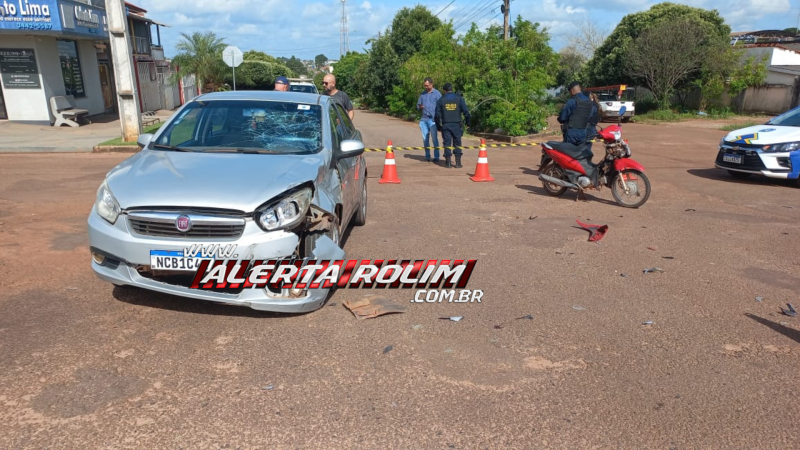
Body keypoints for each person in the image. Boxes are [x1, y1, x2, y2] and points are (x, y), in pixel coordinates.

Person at [434, 83, 470, 169]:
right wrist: (468, 123)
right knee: (457, 143)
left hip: (446, 125)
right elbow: (466, 112)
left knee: (447, 143)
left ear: (444, 91)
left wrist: (439, 126)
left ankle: (448, 162)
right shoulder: (459, 99)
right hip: (457, 125)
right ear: (452, 89)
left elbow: (437, 115)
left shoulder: (441, 100)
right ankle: (458, 163)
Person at [557, 81, 598, 146]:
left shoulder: (571, 101)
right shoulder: (589, 102)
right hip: (584, 132)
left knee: (568, 153)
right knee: (580, 154)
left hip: (572, 132)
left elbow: (562, 118)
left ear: (572, 90)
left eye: (570, 92)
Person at [417, 77, 442, 162]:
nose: (426, 87)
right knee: (425, 139)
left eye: (427, 85)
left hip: (433, 120)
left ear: (432, 84)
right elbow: (418, 105)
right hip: (424, 119)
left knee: (434, 139)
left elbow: (441, 106)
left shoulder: (437, 94)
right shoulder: (422, 94)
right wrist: (420, 106)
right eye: (425, 85)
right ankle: (427, 156)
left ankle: (436, 157)